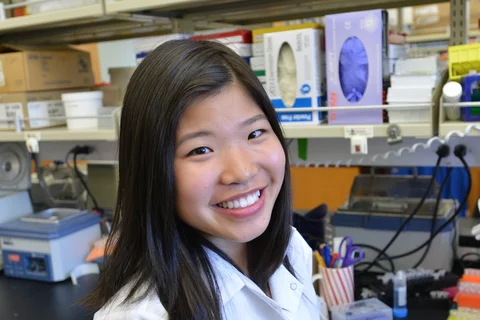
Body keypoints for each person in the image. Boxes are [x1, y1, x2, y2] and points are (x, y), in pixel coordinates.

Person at [86, 39, 319, 320]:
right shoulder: (143, 315)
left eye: (255, 133)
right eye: (201, 150)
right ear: (153, 171)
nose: (242, 172)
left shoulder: (291, 249)